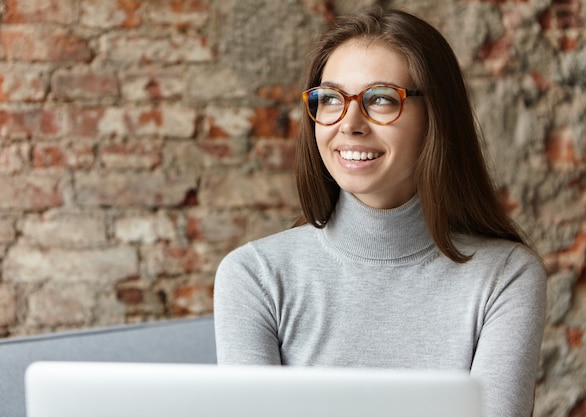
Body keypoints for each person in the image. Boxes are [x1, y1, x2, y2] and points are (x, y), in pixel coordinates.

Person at [213, 5, 546, 417]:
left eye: (382, 99)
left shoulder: (505, 277)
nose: (349, 123)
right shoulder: (254, 276)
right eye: (331, 99)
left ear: (436, 118)